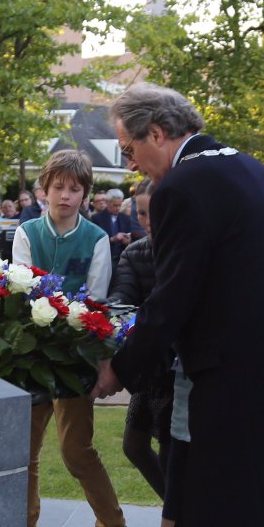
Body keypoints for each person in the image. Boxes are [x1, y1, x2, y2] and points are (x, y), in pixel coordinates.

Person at [93, 82, 264, 527]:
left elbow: (172, 298)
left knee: (225, 524)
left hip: (230, 375)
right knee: (260, 515)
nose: (131, 164)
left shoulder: (181, 186)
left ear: (156, 133)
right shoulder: (251, 168)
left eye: (130, 150)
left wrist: (119, 370)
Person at [12, 150, 129, 527]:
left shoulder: (96, 238)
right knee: (24, 449)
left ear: (85, 193)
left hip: (76, 355)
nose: (64, 195)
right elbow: (22, 287)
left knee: (76, 450)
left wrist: (95, 355)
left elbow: (96, 299)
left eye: (74, 188)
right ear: (44, 189)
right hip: (33, 355)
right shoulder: (26, 232)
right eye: (57, 187)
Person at [106, 179, 172, 501]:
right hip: (148, 367)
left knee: (173, 448)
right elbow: (120, 300)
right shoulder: (134, 253)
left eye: (155, 212)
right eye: (143, 214)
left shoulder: (184, 250)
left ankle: (180, 522)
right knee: (134, 444)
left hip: (180, 371)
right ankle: (179, 511)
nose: (148, 222)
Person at [91, 188, 132, 268]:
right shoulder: (97, 218)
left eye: (119, 205)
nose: (117, 208)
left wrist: (128, 241)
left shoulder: (125, 218)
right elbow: (94, 241)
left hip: (122, 260)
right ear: (107, 203)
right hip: (104, 260)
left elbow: (130, 237)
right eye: (115, 205)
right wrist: (113, 239)